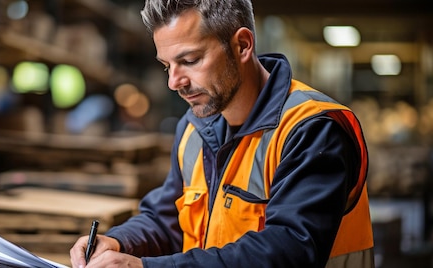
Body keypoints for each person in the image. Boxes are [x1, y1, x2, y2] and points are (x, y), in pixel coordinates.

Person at [70, 0, 374, 267]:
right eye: (167, 66)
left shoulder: (312, 128)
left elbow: (290, 251)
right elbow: (166, 219)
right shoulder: (193, 129)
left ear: (242, 46)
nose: (174, 82)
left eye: (189, 61)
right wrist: (118, 242)